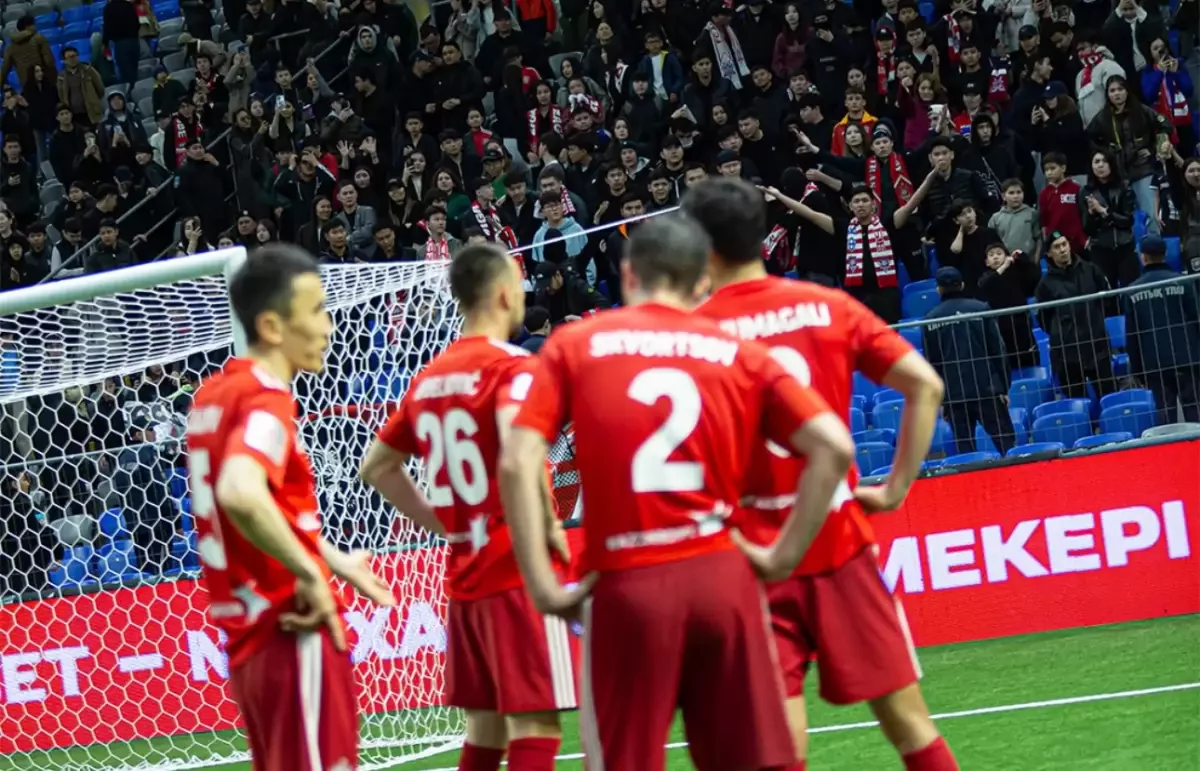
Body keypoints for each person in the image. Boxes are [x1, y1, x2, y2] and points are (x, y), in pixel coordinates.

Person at [497, 213, 859, 771]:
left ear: (627, 276)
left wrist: (543, 586)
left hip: (625, 580)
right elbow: (833, 446)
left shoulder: (575, 345)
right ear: (700, 283)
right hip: (721, 575)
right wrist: (779, 557)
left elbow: (518, 461)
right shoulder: (735, 348)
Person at [685, 177, 959, 771]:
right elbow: (926, 386)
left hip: (753, 558)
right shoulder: (827, 305)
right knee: (911, 726)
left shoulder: (690, 337)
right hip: (840, 545)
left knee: (779, 746)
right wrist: (894, 488)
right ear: (761, 234)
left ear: (699, 246)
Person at [360, 242, 573, 771]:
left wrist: (443, 524)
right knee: (536, 724)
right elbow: (519, 457)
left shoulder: (430, 378)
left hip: (464, 572)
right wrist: (548, 526)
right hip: (515, 565)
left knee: (486, 729)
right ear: (503, 292)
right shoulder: (512, 368)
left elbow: (377, 467)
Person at [186, 246, 395, 770]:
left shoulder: (213, 397)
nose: (328, 326)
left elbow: (262, 507)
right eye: (317, 310)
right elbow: (240, 492)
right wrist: (307, 573)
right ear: (272, 326)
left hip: (252, 639)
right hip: (293, 626)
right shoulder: (265, 397)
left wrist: (333, 559)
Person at [922, 266, 1016, 455]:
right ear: (962, 285)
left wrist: (942, 400)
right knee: (1007, 445)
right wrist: (1003, 387)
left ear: (938, 289)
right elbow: (998, 350)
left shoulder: (930, 319)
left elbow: (932, 364)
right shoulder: (980, 309)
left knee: (966, 454)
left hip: (954, 395)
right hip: (987, 390)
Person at [1123, 235, 1200, 424]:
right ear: (1165, 254)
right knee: (1195, 413)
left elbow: (1132, 335)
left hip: (1155, 364)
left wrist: (1137, 371)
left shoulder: (1132, 291)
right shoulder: (1185, 282)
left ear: (1143, 257)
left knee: (1166, 417)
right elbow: (1197, 319)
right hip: (1188, 359)